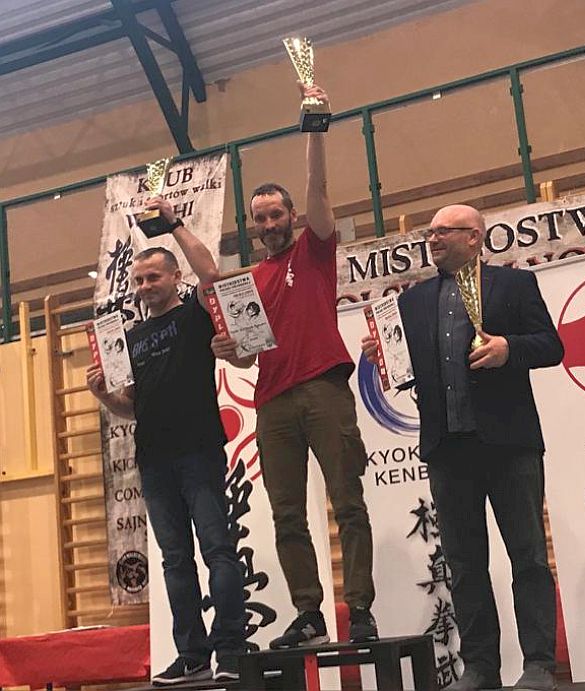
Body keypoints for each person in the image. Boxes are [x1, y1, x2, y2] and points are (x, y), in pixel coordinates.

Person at [362, 204, 563, 691]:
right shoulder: (413, 301)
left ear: (474, 237)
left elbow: (551, 346)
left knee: (529, 558)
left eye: (443, 231)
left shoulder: (514, 285)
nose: (432, 239)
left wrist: (509, 349)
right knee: (465, 565)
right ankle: (479, 667)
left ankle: (539, 663)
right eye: (429, 232)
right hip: (448, 449)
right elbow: (408, 371)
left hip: (509, 444)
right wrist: (383, 357)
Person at [212, 83, 378, 650]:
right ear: (254, 224)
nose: (269, 222)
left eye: (277, 213)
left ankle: (360, 609)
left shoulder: (315, 248)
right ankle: (308, 612)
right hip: (272, 401)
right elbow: (248, 351)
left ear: (291, 215)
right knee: (287, 515)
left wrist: (315, 130)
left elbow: (319, 189)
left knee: (347, 501)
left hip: (323, 389)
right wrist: (229, 352)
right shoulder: (249, 282)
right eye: (260, 217)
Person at [86, 198, 246, 685]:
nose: (144, 287)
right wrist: (104, 395)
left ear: (175, 278)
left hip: (198, 450)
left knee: (217, 549)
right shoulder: (131, 339)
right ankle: (192, 654)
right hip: (153, 460)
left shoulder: (196, 313)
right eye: (137, 280)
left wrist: (174, 225)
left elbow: (211, 275)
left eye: (153, 277)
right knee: (175, 560)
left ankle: (231, 651)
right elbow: (132, 406)